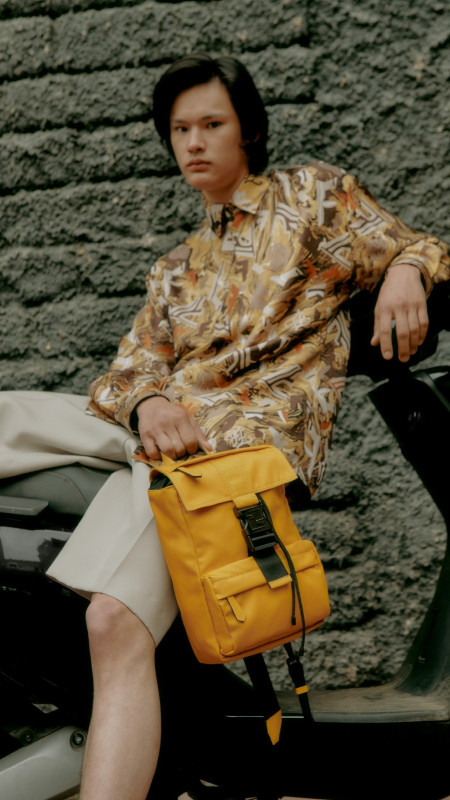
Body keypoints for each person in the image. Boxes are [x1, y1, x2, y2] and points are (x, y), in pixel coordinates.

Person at [1, 52, 449, 799]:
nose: (194, 142)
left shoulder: (312, 199)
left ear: (249, 132)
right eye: (180, 130)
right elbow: (124, 374)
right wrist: (149, 406)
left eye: (212, 124)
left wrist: (405, 270)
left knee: (113, 623)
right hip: (160, 432)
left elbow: (416, 243)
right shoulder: (175, 266)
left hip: (234, 449)